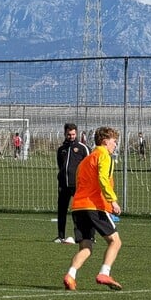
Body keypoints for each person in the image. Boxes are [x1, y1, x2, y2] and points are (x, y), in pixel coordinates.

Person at [62, 126, 124, 291]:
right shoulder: (104, 156)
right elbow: (103, 178)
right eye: (114, 141)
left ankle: (71, 275)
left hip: (78, 207)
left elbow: (79, 183)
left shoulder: (86, 160)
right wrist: (113, 201)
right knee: (115, 241)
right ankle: (104, 272)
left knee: (86, 247)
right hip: (94, 206)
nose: (115, 145)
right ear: (105, 141)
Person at [55, 123, 90, 244]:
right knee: (62, 210)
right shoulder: (61, 149)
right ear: (65, 134)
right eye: (69, 134)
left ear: (77, 134)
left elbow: (90, 166)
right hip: (64, 185)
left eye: (73, 134)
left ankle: (85, 236)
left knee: (81, 211)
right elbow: (61, 166)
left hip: (78, 185)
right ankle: (60, 236)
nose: (71, 136)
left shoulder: (83, 148)